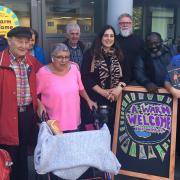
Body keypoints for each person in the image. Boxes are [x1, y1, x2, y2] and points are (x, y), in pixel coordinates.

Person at [0, 26, 41, 180]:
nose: (24, 46)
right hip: (5, 117)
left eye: (27, 42)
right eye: (20, 42)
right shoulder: (1, 61)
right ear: (9, 41)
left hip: (27, 116)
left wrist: (71, 68)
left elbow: (47, 75)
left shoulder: (31, 60)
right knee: (7, 158)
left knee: (23, 155)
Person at [36, 43, 97, 132]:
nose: (63, 60)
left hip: (74, 121)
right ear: (53, 57)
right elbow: (34, 93)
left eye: (66, 57)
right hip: (54, 124)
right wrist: (39, 104)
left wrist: (88, 100)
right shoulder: (43, 73)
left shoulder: (74, 69)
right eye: (60, 57)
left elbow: (80, 88)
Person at [81, 25, 128, 137]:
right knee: (96, 132)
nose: (109, 38)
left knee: (113, 130)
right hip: (95, 98)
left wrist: (118, 89)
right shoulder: (90, 54)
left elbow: (127, 75)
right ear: (100, 37)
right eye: (106, 35)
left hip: (115, 98)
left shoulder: (120, 54)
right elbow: (85, 76)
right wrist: (102, 91)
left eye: (112, 36)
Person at [117, 13, 144, 83]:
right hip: (117, 79)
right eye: (122, 23)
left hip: (136, 80)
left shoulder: (139, 41)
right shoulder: (113, 40)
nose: (125, 25)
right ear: (119, 25)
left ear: (132, 24)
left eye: (128, 23)